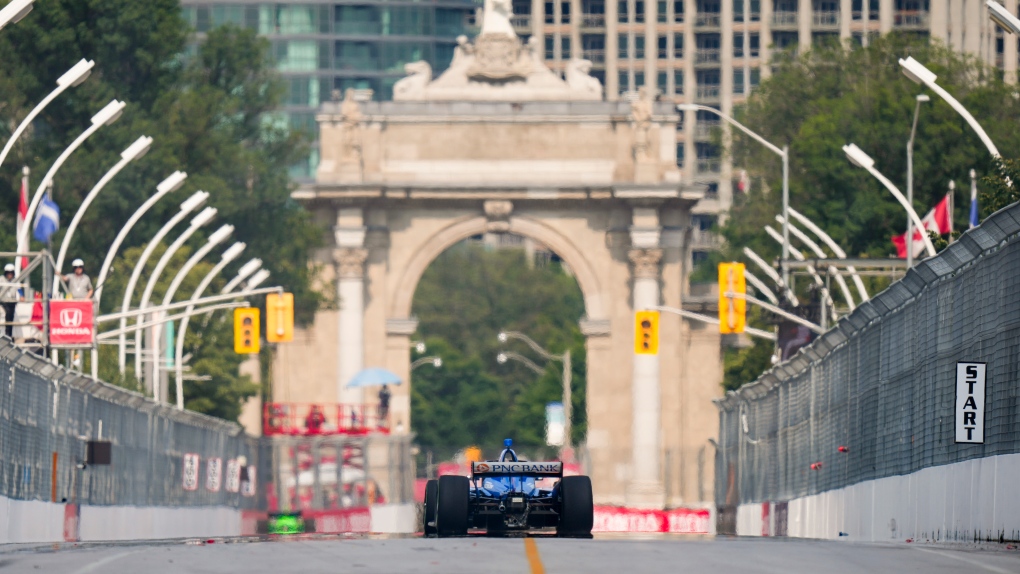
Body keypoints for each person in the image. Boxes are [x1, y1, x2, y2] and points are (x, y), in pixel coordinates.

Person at [0, 263, 23, 338]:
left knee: (10, 318)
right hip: (3, 302)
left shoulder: (15, 281)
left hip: (12, 302)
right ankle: (6, 333)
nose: (10, 275)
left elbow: (19, 289)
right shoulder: (1, 279)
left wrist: (22, 296)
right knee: (7, 314)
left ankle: (9, 334)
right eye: (8, 273)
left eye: (11, 273)